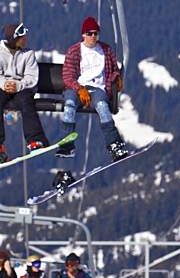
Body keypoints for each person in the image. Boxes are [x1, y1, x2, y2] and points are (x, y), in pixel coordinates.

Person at [54, 16, 129, 191]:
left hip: (97, 88)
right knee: (70, 106)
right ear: (83, 34)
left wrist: (116, 78)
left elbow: (113, 69)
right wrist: (78, 88)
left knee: (103, 107)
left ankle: (114, 144)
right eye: (89, 33)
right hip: (78, 87)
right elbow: (68, 75)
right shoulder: (74, 51)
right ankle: (66, 142)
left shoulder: (106, 50)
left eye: (95, 33)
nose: (93, 36)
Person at [0, 23, 49, 163]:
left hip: (22, 87)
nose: (25, 39)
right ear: (14, 39)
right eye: (22, 37)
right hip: (3, 86)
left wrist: (18, 85)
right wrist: (5, 85)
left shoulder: (28, 53)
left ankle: (36, 140)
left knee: (25, 101)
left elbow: (32, 77)